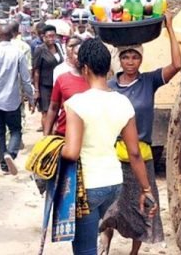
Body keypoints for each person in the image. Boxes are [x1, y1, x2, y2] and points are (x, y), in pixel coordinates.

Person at [61, 39, 158, 255]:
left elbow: (71, 152)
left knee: (85, 249)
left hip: (88, 186)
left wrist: (53, 148)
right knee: (93, 236)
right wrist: (146, 189)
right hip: (114, 184)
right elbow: (135, 153)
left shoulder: (76, 103)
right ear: (108, 67)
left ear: (85, 68)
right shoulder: (123, 103)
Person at [101, 11, 181, 255]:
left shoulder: (149, 81)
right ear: (119, 60)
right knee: (112, 203)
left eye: (134, 57)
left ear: (140, 60)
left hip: (141, 156)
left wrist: (170, 29)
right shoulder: (111, 86)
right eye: (125, 57)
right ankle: (106, 241)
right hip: (115, 154)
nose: (130, 61)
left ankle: (134, 252)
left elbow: (177, 65)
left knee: (142, 205)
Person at [0, 25, 34, 175]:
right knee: (16, 130)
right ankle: (10, 153)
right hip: (12, 100)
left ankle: (3, 166)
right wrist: (30, 98)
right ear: (12, 36)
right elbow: (25, 79)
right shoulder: (18, 53)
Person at [43, 41, 89, 136]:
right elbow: (53, 108)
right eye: (77, 54)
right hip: (64, 134)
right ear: (71, 55)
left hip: (89, 135)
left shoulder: (95, 80)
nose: (80, 57)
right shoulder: (62, 79)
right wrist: (46, 136)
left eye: (83, 54)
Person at [32, 25, 64, 132]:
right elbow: (36, 71)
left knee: (57, 112)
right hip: (45, 86)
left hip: (58, 85)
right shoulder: (40, 50)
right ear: (43, 37)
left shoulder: (58, 47)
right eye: (48, 36)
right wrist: (36, 90)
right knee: (46, 112)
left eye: (53, 36)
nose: (51, 38)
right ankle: (46, 137)